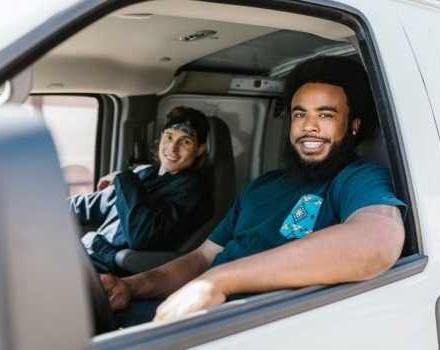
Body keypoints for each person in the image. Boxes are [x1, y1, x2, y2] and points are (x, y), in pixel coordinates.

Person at [101, 56, 406, 325]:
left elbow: (379, 241)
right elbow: (203, 258)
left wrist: (219, 281)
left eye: (325, 115)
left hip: (246, 324)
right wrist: (131, 287)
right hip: (187, 310)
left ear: (353, 125)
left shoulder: (357, 178)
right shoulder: (260, 186)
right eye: (300, 114)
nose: (309, 126)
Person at [70, 106, 213, 274]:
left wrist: (123, 179)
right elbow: (90, 206)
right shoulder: (144, 173)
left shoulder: (191, 192)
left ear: (200, 149)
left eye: (185, 141)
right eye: (169, 137)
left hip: (107, 268)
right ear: (161, 137)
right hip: (85, 252)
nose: (173, 148)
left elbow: (142, 236)